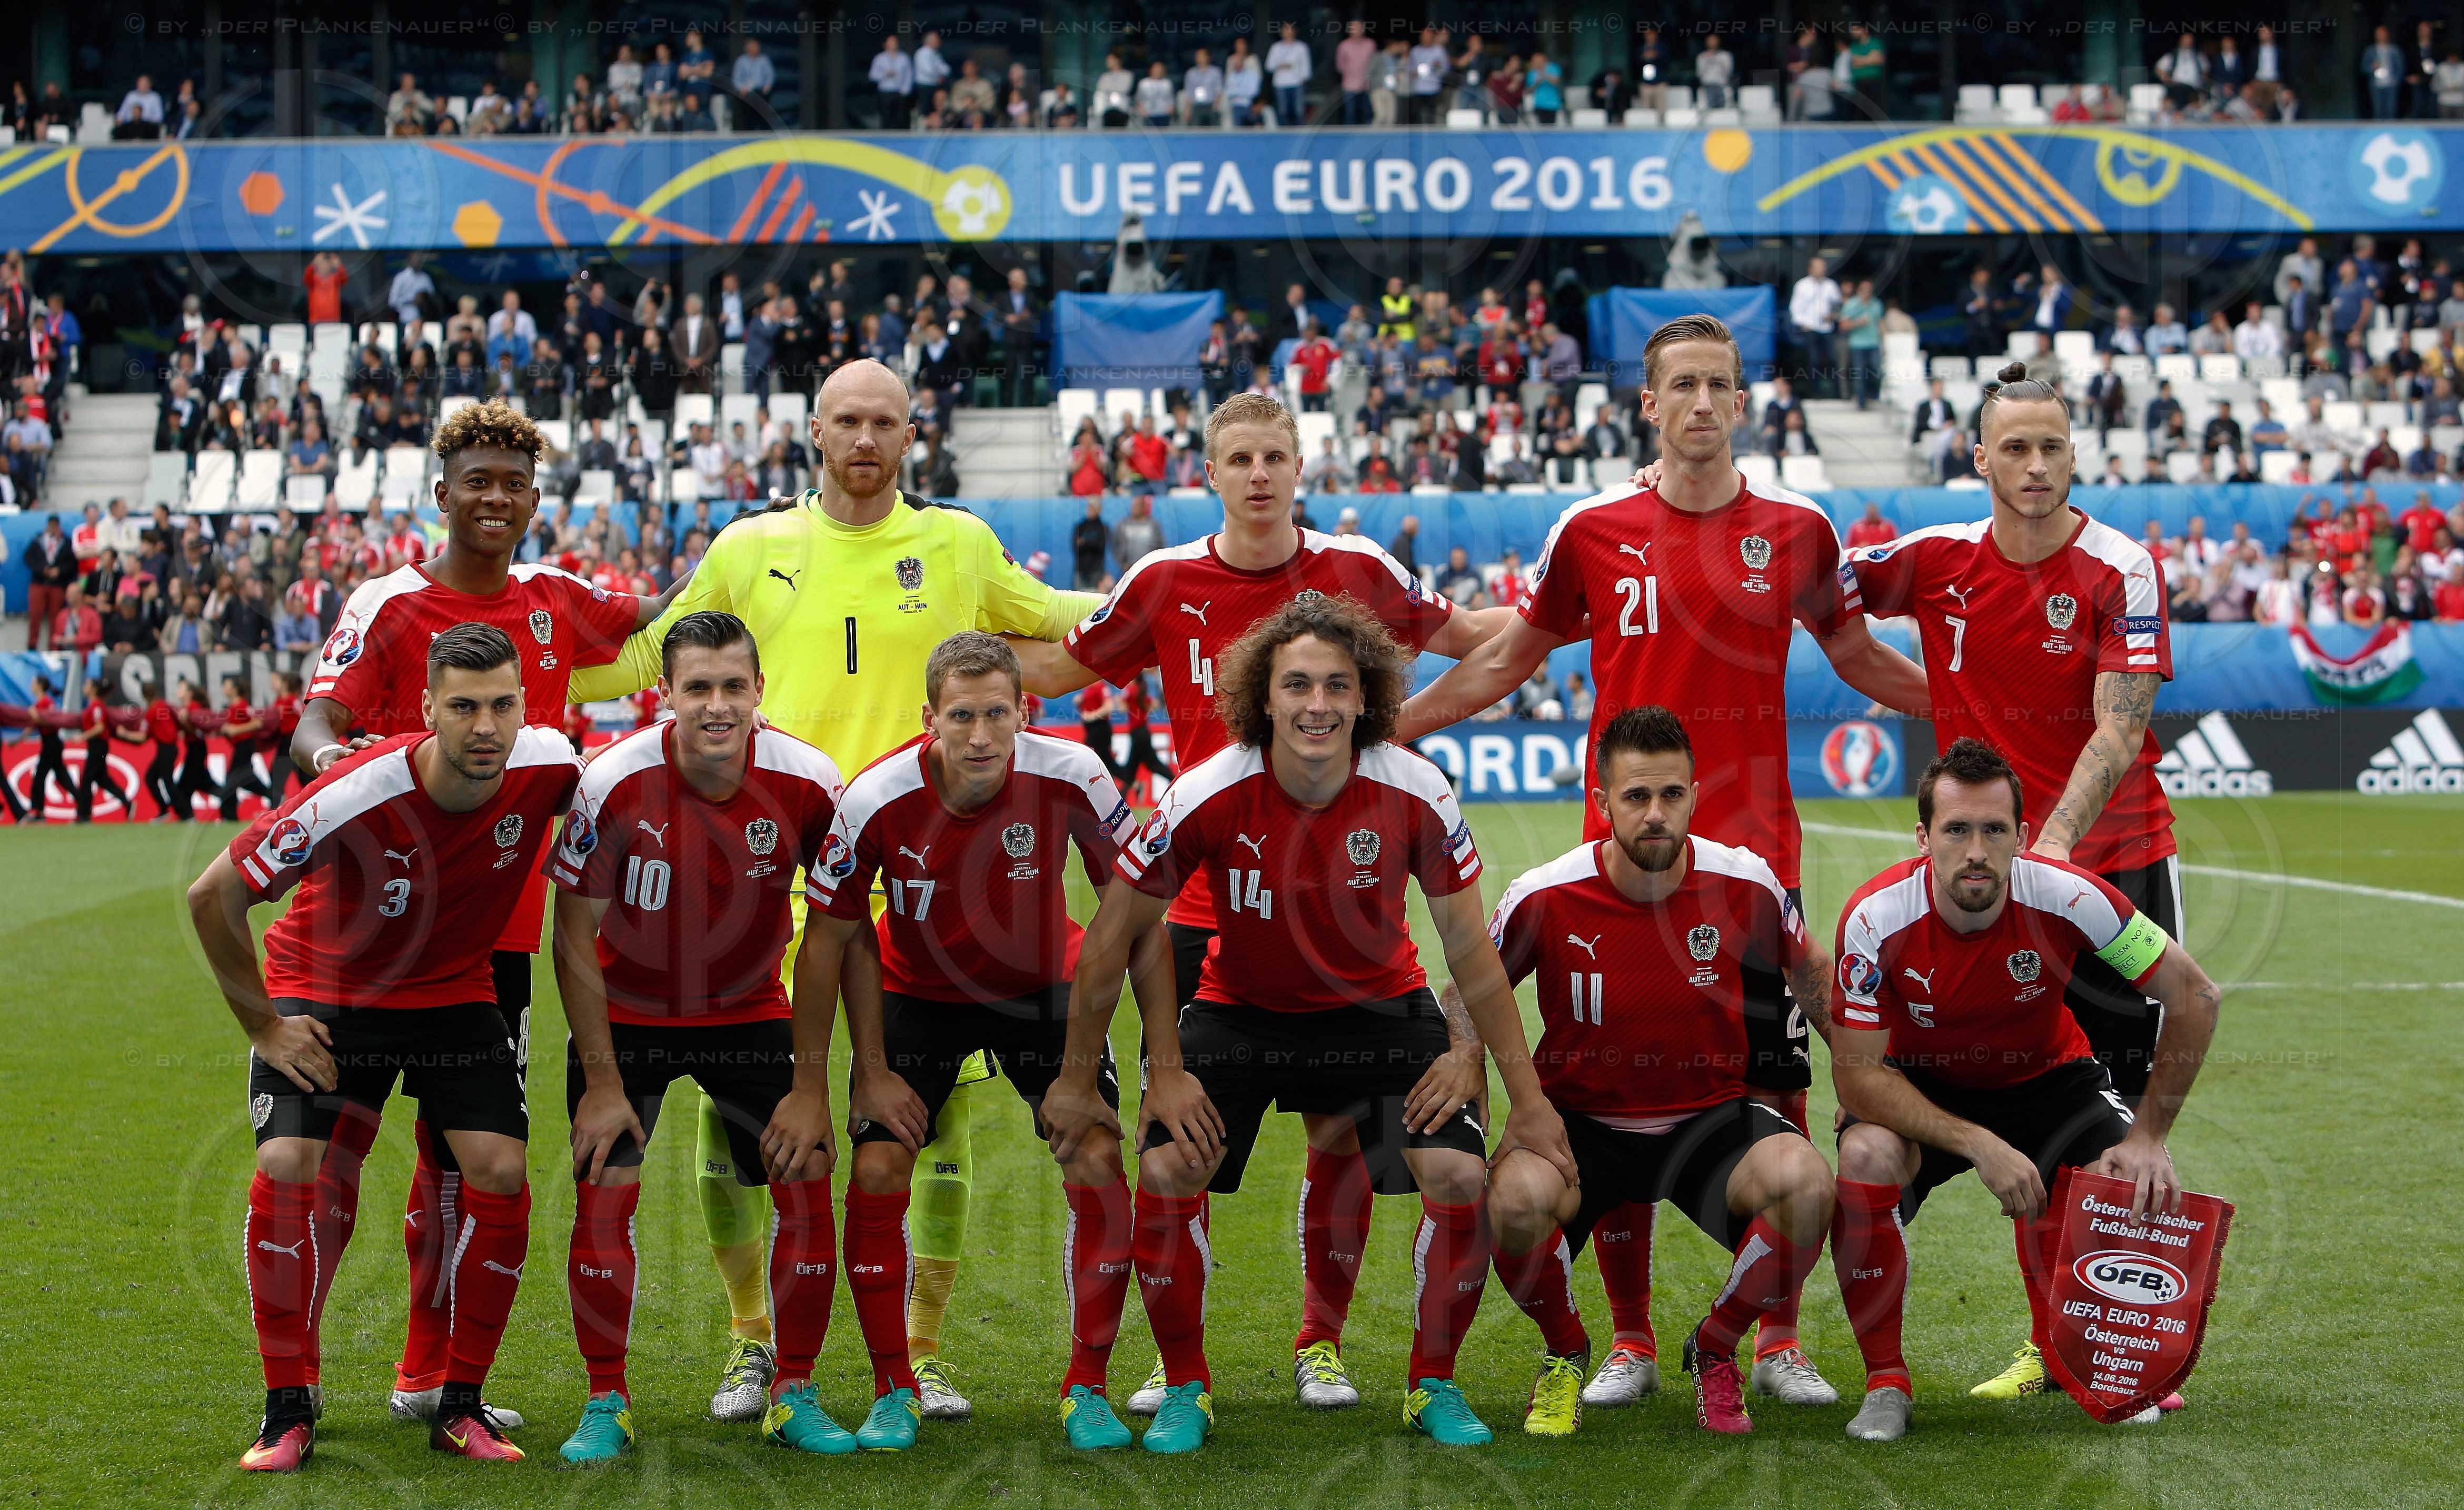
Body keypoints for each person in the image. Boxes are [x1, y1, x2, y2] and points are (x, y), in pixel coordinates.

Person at [565, 357, 1107, 1423]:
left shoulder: (958, 544)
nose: (865, 438)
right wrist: (517, 668)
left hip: (920, 882)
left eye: (884, 422)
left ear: (912, 433)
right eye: (847, 420)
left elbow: (1063, 622)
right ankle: (751, 1339)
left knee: (926, 1122)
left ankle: (921, 1352)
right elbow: (647, 657)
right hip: (769, 880)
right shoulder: (748, 547)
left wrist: (1207, 605)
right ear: (814, 430)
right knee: (744, 1126)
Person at [1400, 315, 1928, 1406]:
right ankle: (1632, 1341)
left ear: (1741, 401)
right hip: (1624, 866)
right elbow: (1507, 659)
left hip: (1757, 870)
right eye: (1679, 384)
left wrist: (1980, 714)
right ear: (1647, 403)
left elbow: (1860, 654)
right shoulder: (1592, 529)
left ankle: (1774, 1339)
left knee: (1777, 1093)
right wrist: (1389, 730)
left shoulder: (1798, 530)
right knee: (1620, 1089)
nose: (1699, 402)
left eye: (1717, 385)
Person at [1010, 391, 1515, 1415]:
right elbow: (1058, 666)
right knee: (1180, 1139)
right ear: (1208, 472)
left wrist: (1398, 727)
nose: (1257, 474)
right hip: (1200, 910)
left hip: (1341, 910)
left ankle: (1319, 1343)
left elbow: (1478, 636)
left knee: (1339, 1133)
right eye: (1237, 457)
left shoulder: (1358, 570)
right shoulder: (1165, 580)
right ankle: (1176, 1360)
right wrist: (929, 630)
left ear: (1299, 466)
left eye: (1273, 456)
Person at [1042, 596, 1576, 1453]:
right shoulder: (1209, 789)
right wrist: (1127, 1072)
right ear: (1263, 697)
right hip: (1241, 1011)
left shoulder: (1415, 788)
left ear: (1368, 697)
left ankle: (1432, 1382)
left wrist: (1528, 1097)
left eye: (1337, 684)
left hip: (1380, 1008)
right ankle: (1186, 1385)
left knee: (1456, 1173)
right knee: (1169, 1164)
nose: (1317, 703)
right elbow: (1114, 937)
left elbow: (1471, 949)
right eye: (1296, 684)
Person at [288, 400, 680, 1433]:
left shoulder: (558, 598)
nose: (496, 498)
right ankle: (295, 1384)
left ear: (535, 497)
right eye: (477, 481)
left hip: (493, 940)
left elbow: (665, 607)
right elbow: (315, 718)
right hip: (369, 942)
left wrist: (768, 547)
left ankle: (429, 1374)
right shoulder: (387, 603)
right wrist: (334, 761)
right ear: (443, 493)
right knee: (331, 1160)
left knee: (461, 1168)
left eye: (513, 482)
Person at [1843, 361, 2199, 1409]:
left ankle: (2111, 1350)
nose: (2035, 465)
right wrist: (1927, 692)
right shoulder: (1935, 559)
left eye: (2052, 445)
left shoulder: (2122, 566)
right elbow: (1806, 583)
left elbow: (2120, 726)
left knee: (2107, 1127)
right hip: (1987, 874)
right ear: (1980, 457)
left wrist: (2055, 849)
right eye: (2015, 447)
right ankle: (2052, 1345)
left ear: (2075, 452)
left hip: (2114, 866)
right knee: (2016, 1084)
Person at [192, 623, 583, 1471]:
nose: (486, 726)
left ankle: (460, 1405)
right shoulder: (355, 791)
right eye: (465, 707)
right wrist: (264, 1025)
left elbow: (628, 780)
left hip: (451, 994)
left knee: (500, 1170)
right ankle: (287, 1408)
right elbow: (213, 895)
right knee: (289, 1162)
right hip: (329, 989)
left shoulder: (551, 764)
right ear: (428, 709)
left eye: (503, 705)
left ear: (525, 706)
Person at [798, 632, 1171, 1450]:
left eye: (996, 714)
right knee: (878, 1166)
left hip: (1043, 991)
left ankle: (1087, 1388)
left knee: (1096, 1155)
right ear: (928, 719)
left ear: (1023, 713)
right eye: (961, 716)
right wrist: (858, 1073)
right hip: (918, 993)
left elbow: (1138, 919)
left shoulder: (1073, 774)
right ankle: (895, 1389)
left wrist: (1132, 1070)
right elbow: (829, 941)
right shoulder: (876, 796)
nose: (979, 735)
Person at [1828, 738, 2220, 1441]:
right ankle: (1886, 1383)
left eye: (1994, 830)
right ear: (1923, 838)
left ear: (2023, 836)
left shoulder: (2070, 894)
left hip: (2049, 1079)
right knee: (1864, 1156)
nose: (1976, 851)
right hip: (1927, 1089)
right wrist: (1981, 1144)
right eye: (1956, 830)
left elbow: (2195, 995)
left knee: (2128, 1176)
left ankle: (2098, 1365)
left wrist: (2149, 1136)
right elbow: (1856, 1075)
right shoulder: (1874, 918)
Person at [1482, 706, 1841, 1436]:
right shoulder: (1544, 894)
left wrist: (1868, 1081)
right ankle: (1566, 1351)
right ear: (1601, 802)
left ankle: (1715, 1347)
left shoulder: (1745, 882)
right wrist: (1471, 1064)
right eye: (1637, 796)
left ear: (1695, 796)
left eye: (1672, 794)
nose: (1656, 814)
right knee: (1512, 1205)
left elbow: (1813, 979)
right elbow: (1473, 988)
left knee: (1808, 1186)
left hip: (1709, 1120)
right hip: (1580, 1125)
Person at [544, 612, 852, 1461]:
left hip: (748, 1009)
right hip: (628, 1014)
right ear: (666, 694)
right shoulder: (613, 781)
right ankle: (606, 1399)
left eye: (733, 687)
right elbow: (572, 932)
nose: (718, 705)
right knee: (605, 1182)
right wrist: (602, 1083)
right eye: (699, 688)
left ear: (760, 691)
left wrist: (812, 1086)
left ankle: (794, 1390)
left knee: (806, 1169)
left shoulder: (809, 779)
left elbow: (839, 933)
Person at [75, 677, 141, 822]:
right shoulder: (94, 706)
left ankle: (84, 815)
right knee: (102, 780)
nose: (84, 687)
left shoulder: (97, 706)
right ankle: (127, 803)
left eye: (87, 684)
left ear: (94, 689)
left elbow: (100, 727)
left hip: (98, 746)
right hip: (97, 745)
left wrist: (83, 737)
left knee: (87, 779)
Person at [216, 673, 277, 821]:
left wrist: (236, 730)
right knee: (244, 779)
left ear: (235, 689)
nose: (223, 688)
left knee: (233, 779)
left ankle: (229, 814)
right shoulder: (233, 707)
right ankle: (273, 796)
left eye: (227, 685)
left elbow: (258, 723)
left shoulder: (242, 706)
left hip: (245, 746)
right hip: (240, 746)